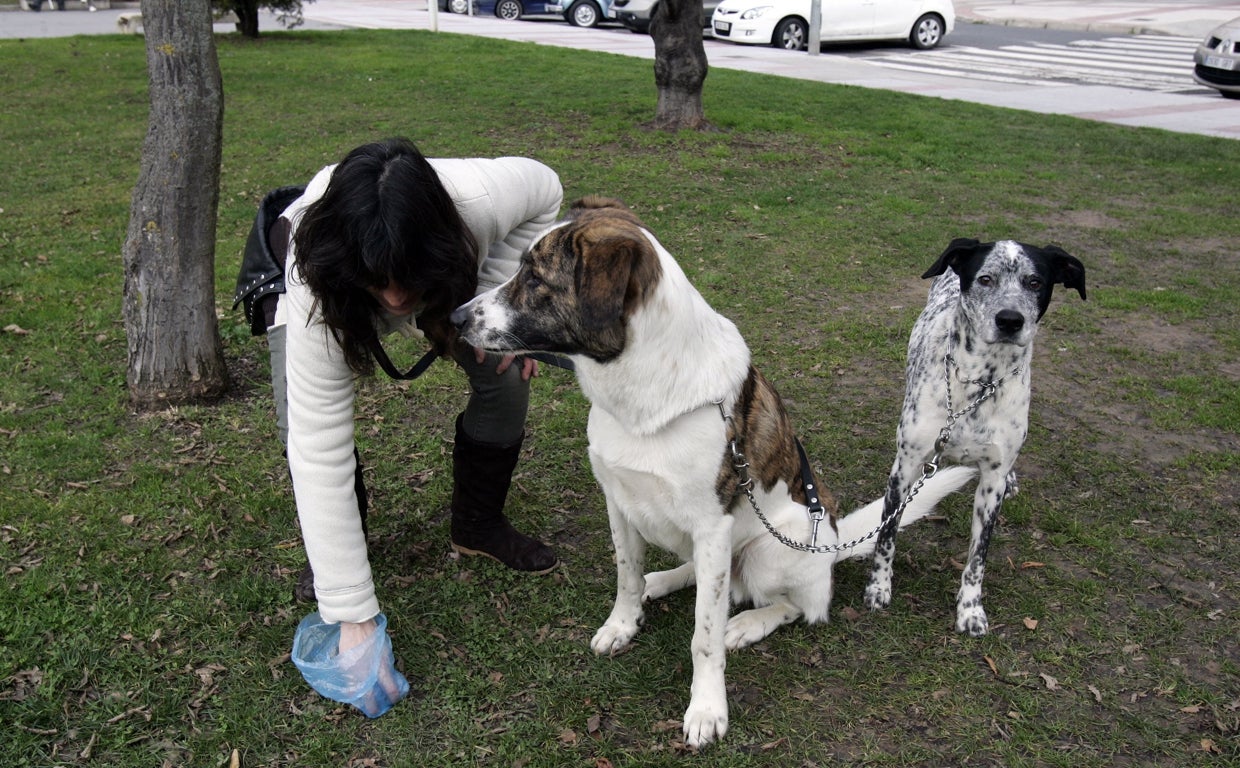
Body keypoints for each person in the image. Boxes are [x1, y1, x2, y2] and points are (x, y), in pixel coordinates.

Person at [237, 138, 564, 714]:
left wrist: (495, 290)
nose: (393, 298)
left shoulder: (487, 198)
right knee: (299, 424)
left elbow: (549, 189)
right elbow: (319, 448)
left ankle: (478, 525)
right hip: (329, 283)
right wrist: (353, 614)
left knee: (508, 378)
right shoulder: (319, 278)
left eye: (404, 280)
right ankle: (341, 554)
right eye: (381, 281)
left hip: (450, 274)